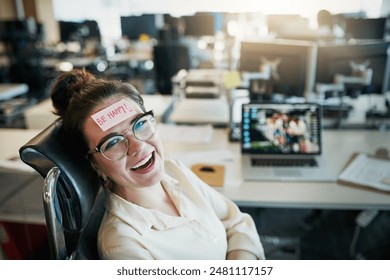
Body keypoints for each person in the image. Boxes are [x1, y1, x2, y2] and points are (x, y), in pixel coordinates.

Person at [50, 68, 265, 260]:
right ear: (93, 163)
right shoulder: (124, 247)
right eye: (113, 142)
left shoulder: (173, 170)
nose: (138, 146)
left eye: (140, 124)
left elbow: (236, 222)